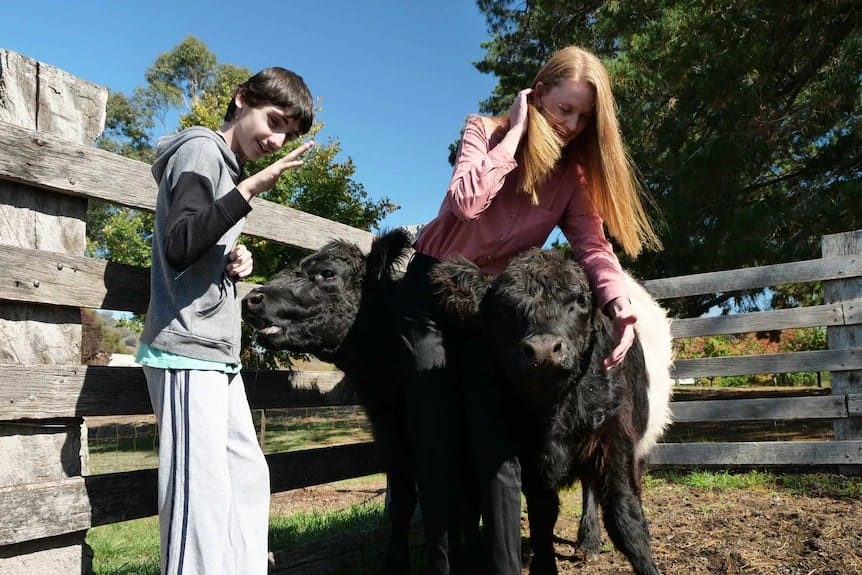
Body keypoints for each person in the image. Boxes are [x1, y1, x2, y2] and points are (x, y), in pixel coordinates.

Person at [396, 45, 662, 574]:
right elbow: (467, 202)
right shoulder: (483, 131)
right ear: (536, 94)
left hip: (495, 309)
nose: (571, 124)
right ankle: (445, 564)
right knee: (437, 427)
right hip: (432, 293)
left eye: (584, 117)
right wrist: (515, 133)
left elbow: (592, 246)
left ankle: (504, 568)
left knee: (500, 443)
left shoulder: (572, 176)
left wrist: (619, 302)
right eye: (564, 109)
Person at [136, 67, 315, 575]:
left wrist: (234, 258)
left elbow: (198, 241)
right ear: (242, 99)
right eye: (274, 121)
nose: (277, 140)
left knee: (246, 479)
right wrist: (250, 190)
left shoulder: (226, 168)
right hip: (186, 347)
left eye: (288, 134)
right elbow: (179, 245)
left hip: (218, 354)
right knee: (201, 500)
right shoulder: (200, 150)